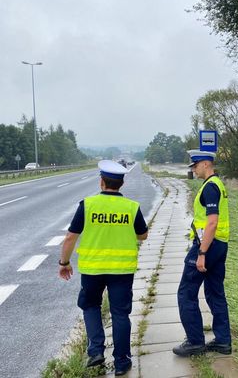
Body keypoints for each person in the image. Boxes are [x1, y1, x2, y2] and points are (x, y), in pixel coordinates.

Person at [58, 160, 148, 376]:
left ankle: (96, 351)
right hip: (122, 271)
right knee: (120, 314)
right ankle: (121, 361)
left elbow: (71, 237)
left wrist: (64, 262)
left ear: (101, 182)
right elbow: (143, 234)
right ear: (122, 184)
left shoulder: (87, 205)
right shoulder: (131, 207)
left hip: (92, 270)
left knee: (90, 306)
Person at [173, 149, 232, 356]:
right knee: (215, 292)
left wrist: (201, 252)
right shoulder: (218, 185)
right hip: (220, 245)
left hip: (209, 245)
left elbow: (212, 222)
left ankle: (195, 342)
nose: (194, 169)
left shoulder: (210, 188)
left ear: (206, 164)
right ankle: (223, 341)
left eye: (195, 165)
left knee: (186, 292)